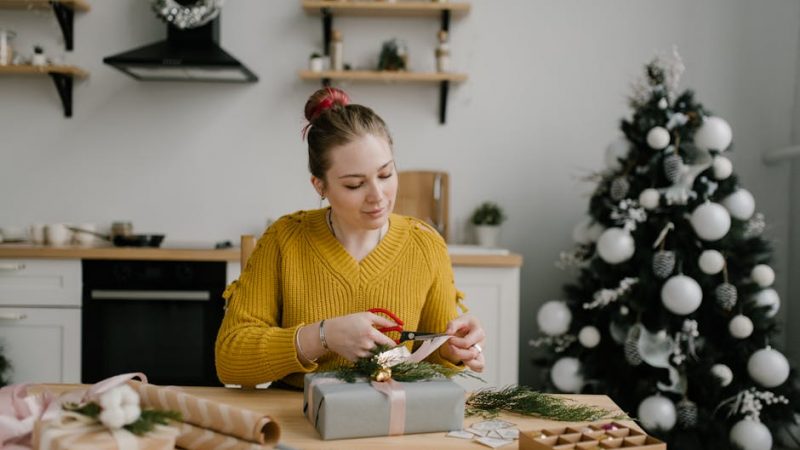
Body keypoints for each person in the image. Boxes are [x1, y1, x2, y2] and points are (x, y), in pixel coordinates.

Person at [215, 87, 485, 388]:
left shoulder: (425, 245)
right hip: (298, 420)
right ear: (320, 186)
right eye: (355, 185)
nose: (377, 196)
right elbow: (230, 359)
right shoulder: (284, 240)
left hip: (390, 420)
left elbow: (432, 361)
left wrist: (454, 350)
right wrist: (324, 336)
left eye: (385, 175)